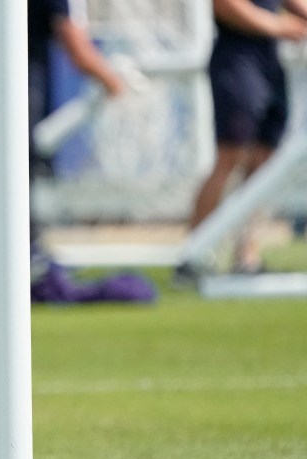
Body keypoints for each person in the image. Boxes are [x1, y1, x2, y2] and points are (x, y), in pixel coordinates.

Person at [28, 0, 157, 304]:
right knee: (14, 181)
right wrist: (112, 80)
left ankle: (28, 257)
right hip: (19, 96)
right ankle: (28, 262)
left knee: (11, 182)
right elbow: (77, 47)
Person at [178, 0, 307, 282]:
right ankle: (193, 256)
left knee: (263, 164)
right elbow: (224, 5)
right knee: (230, 157)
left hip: (269, 61)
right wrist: (277, 25)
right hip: (236, 59)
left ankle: (246, 256)